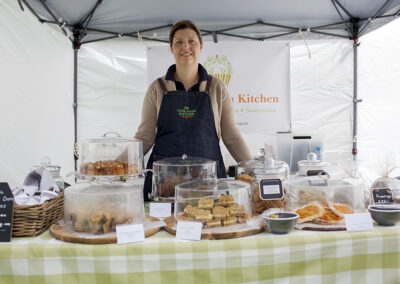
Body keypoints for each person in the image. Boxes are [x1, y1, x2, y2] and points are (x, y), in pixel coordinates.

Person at [134, 20, 252, 200]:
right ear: (171, 48)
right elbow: (144, 137)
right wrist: (116, 165)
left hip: (209, 181)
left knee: (211, 224)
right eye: (178, 42)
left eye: (192, 41)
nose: (185, 47)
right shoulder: (157, 88)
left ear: (201, 46)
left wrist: (254, 169)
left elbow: (231, 136)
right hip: (164, 183)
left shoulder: (217, 87)